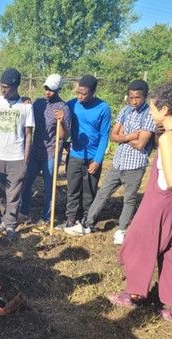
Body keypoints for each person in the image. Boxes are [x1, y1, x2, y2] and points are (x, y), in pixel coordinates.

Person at [108, 84, 172, 328]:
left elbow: (171, 182)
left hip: (159, 202)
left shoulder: (169, 139)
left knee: (138, 243)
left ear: (165, 109)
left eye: (152, 108)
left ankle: (134, 294)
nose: (150, 112)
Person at [69, 80, 155, 244]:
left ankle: (121, 230)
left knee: (128, 198)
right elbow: (113, 136)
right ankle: (87, 224)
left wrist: (123, 137)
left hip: (135, 165)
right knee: (103, 193)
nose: (134, 101)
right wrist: (131, 136)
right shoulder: (125, 111)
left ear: (145, 96)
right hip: (118, 162)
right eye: (131, 97)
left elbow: (141, 144)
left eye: (138, 97)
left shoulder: (149, 114)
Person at [0, 68, 34, 241]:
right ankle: (5, 219)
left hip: (17, 157)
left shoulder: (26, 107)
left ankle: (10, 224)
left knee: (13, 194)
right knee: (0, 192)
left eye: (6, 87)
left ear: (15, 86)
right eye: (1, 86)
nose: (2, 90)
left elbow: (28, 134)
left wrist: (25, 159)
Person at [62, 75, 111, 232]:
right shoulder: (71, 104)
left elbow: (104, 135)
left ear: (93, 92)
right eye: (78, 93)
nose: (80, 97)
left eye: (84, 94)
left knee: (89, 190)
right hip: (75, 154)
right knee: (73, 188)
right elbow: (62, 124)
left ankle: (86, 218)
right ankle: (71, 217)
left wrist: (97, 160)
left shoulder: (103, 108)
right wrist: (64, 143)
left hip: (93, 156)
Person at [19, 74, 70, 225]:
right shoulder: (38, 103)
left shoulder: (63, 108)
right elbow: (28, 119)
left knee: (49, 188)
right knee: (26, 182)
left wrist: (61, 121)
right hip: (35, 150)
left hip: (51, 153)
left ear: (59, 90)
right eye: (46, 88)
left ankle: (46, 217)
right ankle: (24, 212)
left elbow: (63, 136)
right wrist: (25, 106)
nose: (48, 92)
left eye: (52, 90)